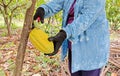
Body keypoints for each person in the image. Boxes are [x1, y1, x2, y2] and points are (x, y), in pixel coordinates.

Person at [33, 0, 110, 76]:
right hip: (73, 44)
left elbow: (86, 18)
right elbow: (57, 3)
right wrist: (43, 9)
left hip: (91, 47)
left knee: (89, 72)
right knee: (75, 72)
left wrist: (64, 34)